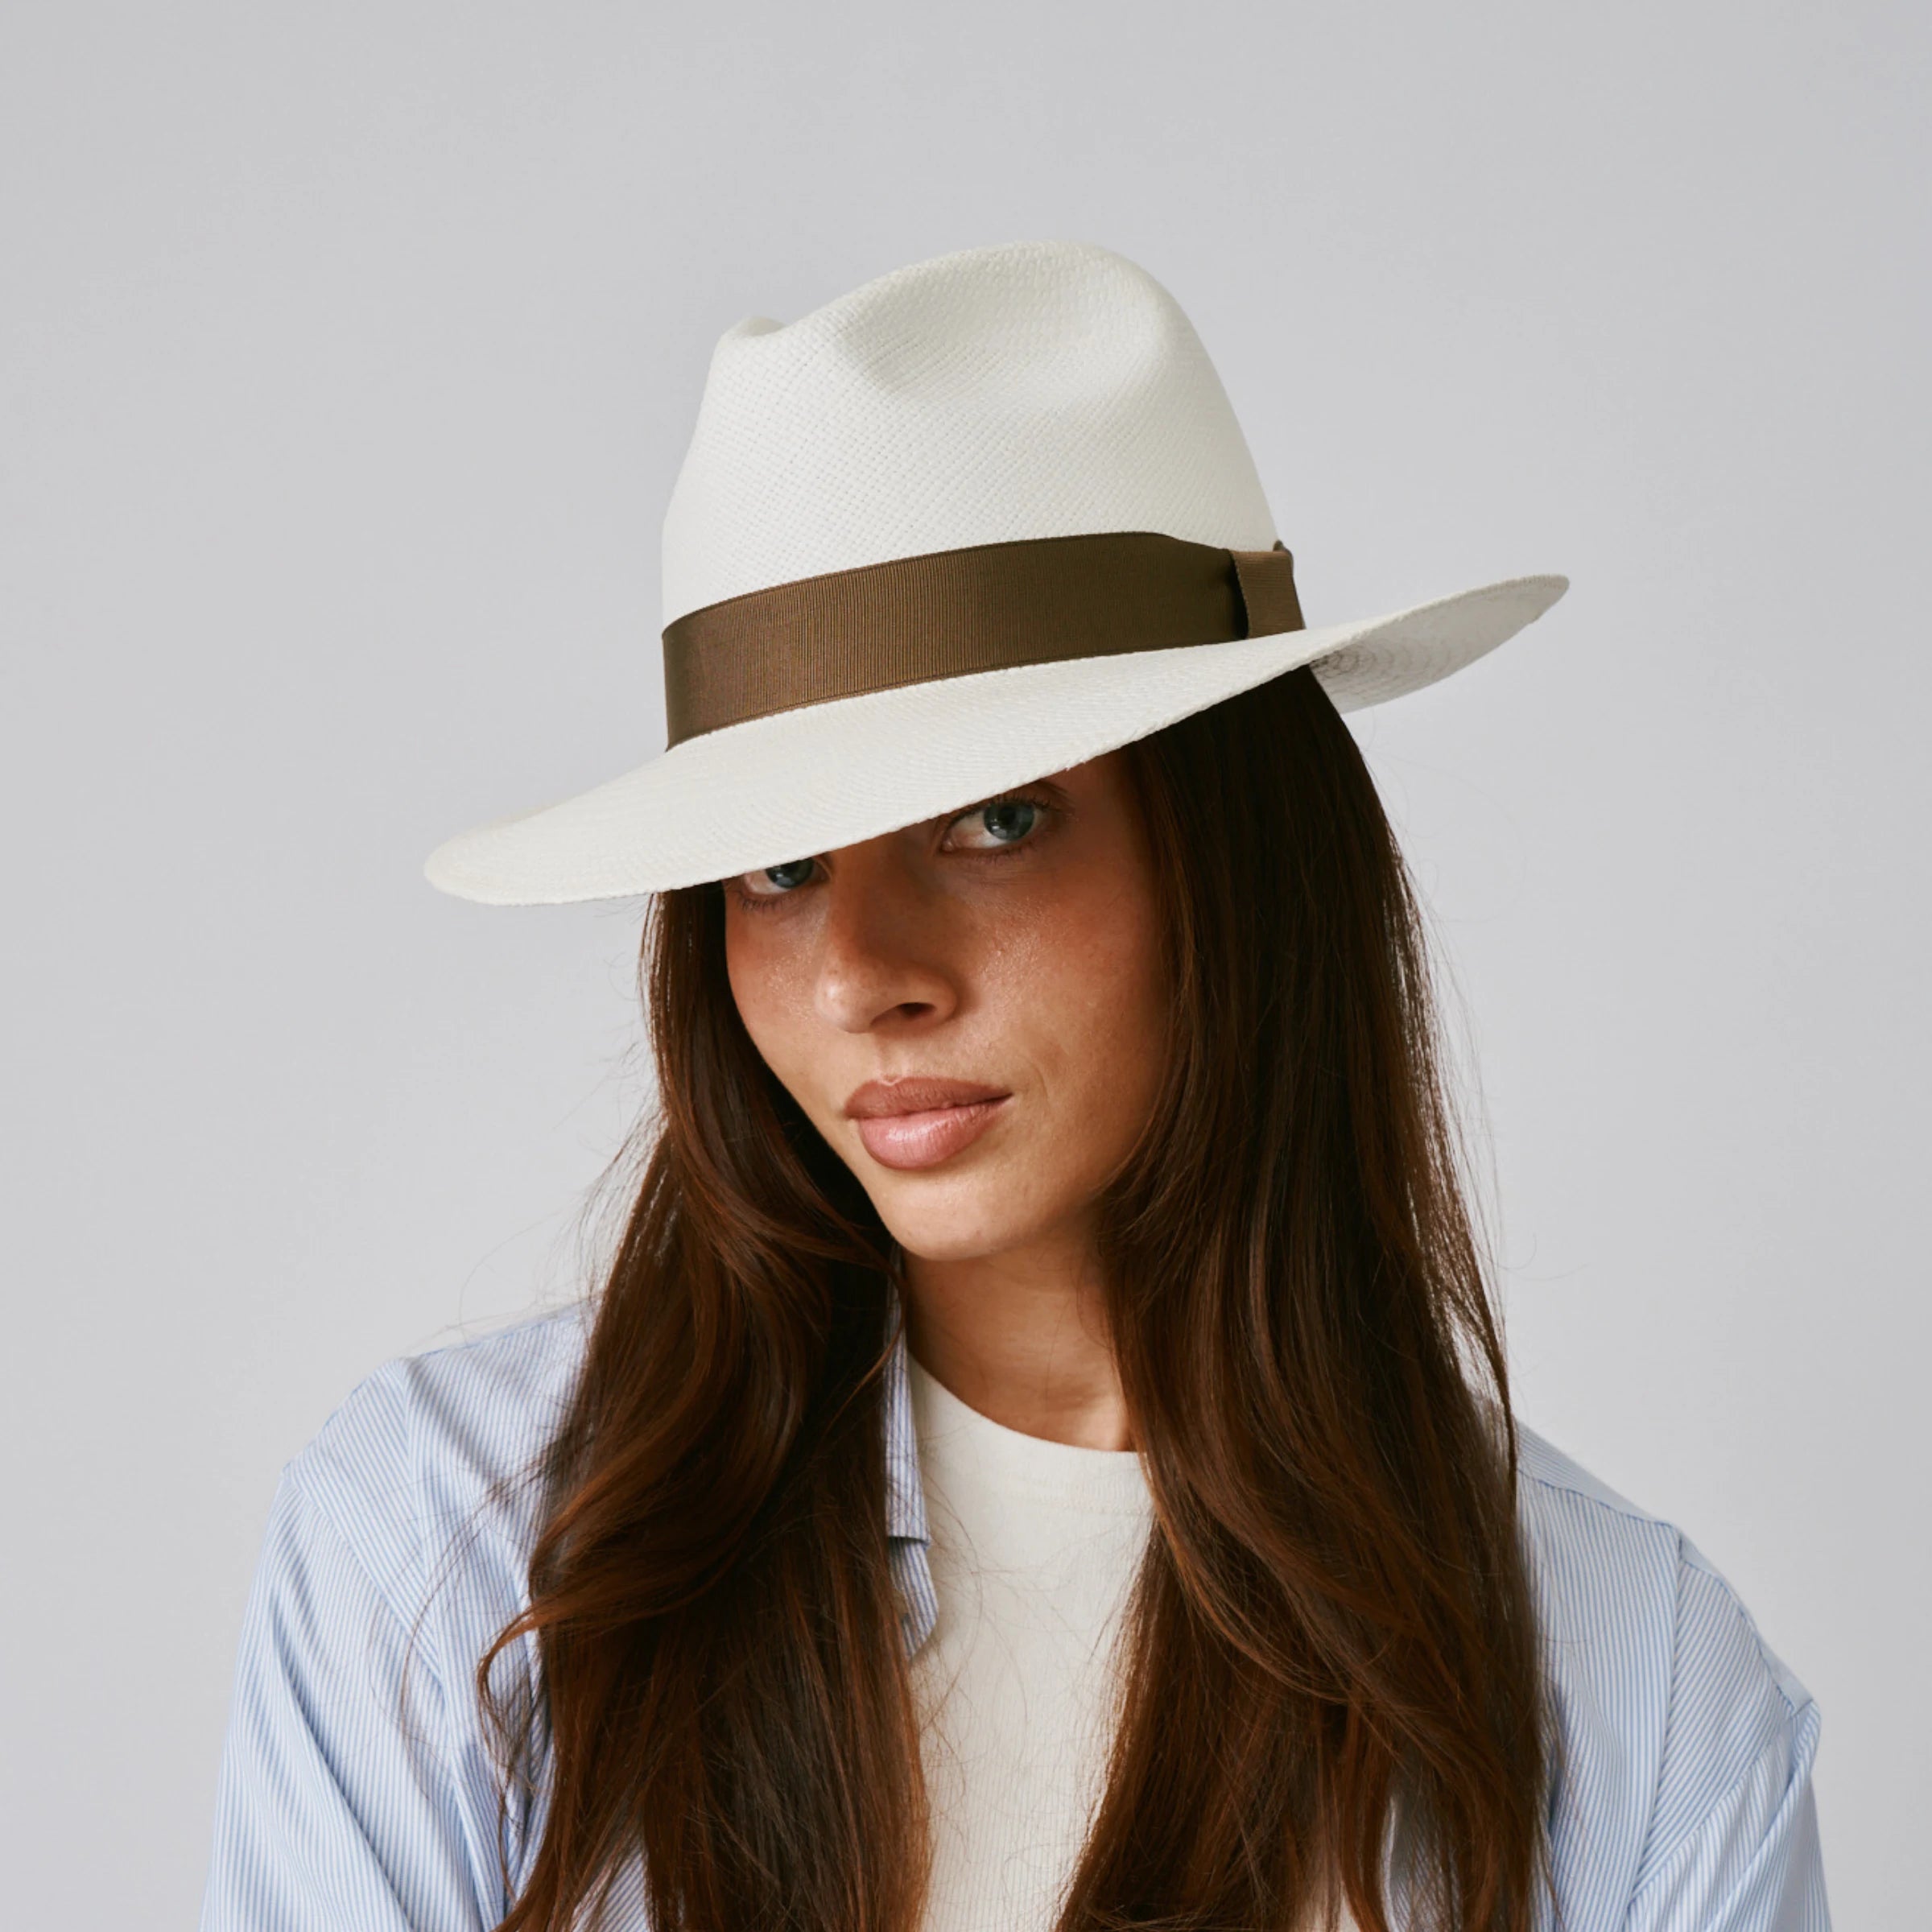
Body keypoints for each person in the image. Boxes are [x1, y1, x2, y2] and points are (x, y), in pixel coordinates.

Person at [198, 240, 1829, 1932]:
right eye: (776, 866)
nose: (861, 974)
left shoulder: (1640, 1703)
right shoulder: (445, 1557)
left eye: (997, 819)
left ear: (1240, 851)